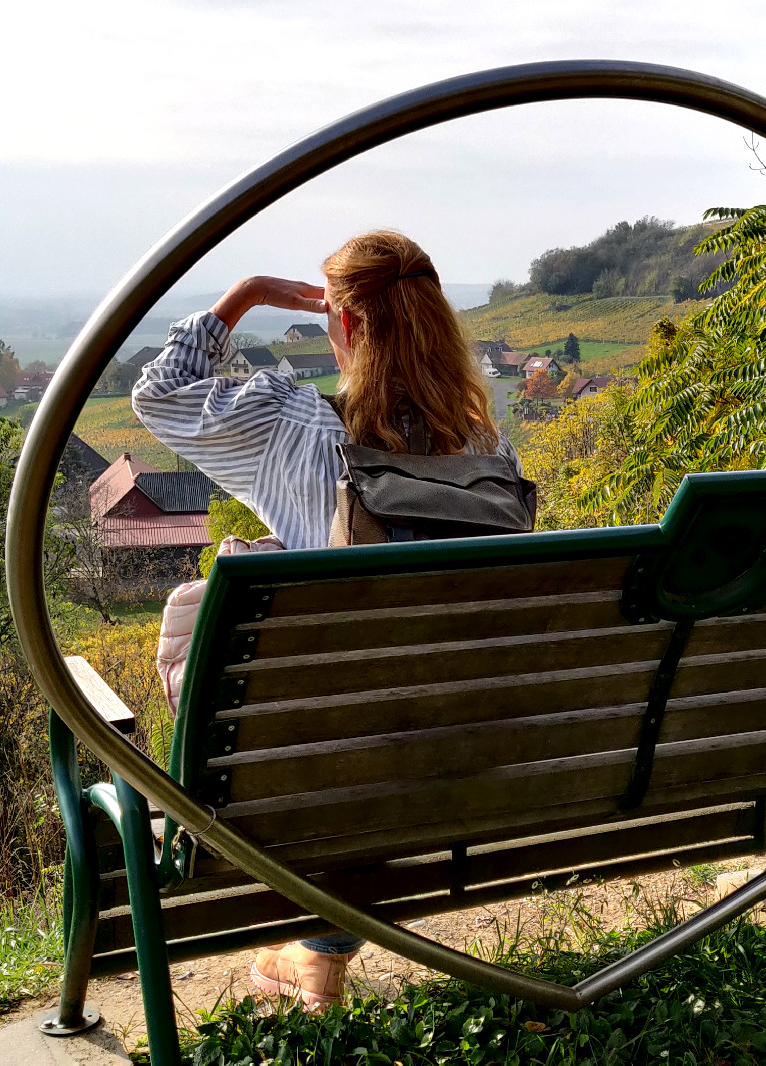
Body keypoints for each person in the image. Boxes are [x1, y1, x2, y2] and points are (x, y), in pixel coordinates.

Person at [131, 230, 520, 1009]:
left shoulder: (293, 427)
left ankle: (317, 950)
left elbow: (158, 391)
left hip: (310, 764)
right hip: (461, 762)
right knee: (379, 680)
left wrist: (244, 296)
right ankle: (318, 953)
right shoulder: (487, 450)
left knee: (212, 619)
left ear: (342, 327)